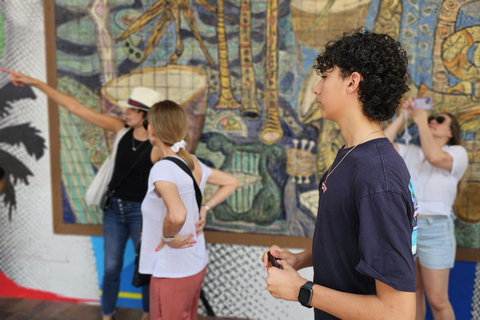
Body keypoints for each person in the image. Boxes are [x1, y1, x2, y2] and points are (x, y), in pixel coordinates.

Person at [261, 30, 417, 319]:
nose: (316, 89)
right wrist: (300, 260)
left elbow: (398, 312)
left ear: (352, 82)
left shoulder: (377, 175)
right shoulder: (353, 155)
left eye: (326, 76)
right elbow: (352, 241)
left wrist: (302, 290)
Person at [2, 68, 161, 320]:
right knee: (111, 269)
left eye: (131, 110)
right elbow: (76, 107)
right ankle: (107, 316)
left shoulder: (160, 145)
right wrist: (35, 82)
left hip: (142, 214)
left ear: (145, 116)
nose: (125, 112)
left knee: (146, 269)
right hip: (114, 210)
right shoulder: (120, 130)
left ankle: (148, 315)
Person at [140, 100, 238, 319]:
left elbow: (177, 214)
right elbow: (231, 182)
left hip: (171, 269)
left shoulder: (163, 169)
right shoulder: (191, 162)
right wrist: (205, 207)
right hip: (194, 264)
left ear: (152, 129)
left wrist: (167, 236)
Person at [384, 97, 468, 320]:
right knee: (414, 293)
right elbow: (382, 145)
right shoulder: (412, 151)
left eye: (440, 120)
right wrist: (403, 115)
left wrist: (421, 120)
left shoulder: (458, 153)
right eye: (432, 118)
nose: (433, 121)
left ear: (451, 132)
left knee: (438, 300)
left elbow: (434, 157)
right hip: (409, 227)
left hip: (436, 229)